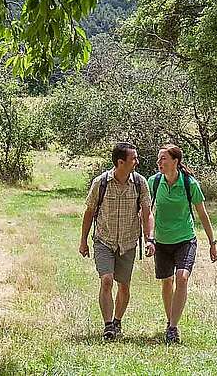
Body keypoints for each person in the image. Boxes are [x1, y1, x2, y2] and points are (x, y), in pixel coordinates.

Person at [79, 142, 153, 341]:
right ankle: (108, 326)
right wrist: (83, 241)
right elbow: (89, 212)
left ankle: (118, 320)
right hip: (104, 240)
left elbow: (147, 213)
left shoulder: (140, 183)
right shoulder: (100, 183)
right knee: (107, 280)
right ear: (121, 162)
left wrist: (149, 239)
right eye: (133, 159)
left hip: (128, 242)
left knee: (124, 285)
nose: (137, 162)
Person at [145, 144, 217, 344]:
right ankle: (170, 323)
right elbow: (147, 212)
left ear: (175, 161)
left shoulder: (189, 184)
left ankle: (173, 327)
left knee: (182, 278)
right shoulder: (154, 182)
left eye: (163, 159)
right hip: (162, 241)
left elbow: (202, 214)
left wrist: (212, 242)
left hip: (185, 239)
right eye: (159, 159)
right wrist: (148, 238)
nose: (159, 162)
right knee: (167, 282)